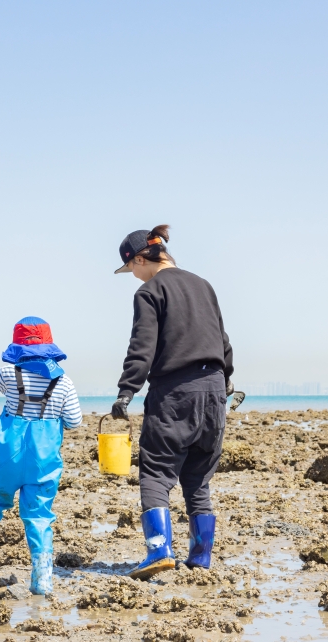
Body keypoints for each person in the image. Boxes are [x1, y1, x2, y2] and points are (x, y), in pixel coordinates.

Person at [110, 226, 234, 580]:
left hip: (174, 391)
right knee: (198, 477)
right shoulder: (203, 285)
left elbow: (142, 345)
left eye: (130, 268)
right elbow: (223, 341)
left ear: (139, 259)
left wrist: (126, 391)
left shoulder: (149, 292)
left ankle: (160, 550)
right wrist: (224, 384)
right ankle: (201, 557)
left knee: (156, 471)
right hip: (214, 391)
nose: (132, 275)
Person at [0, 317, 82, 595]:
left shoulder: (8, 374)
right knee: (39, 515)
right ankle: (43, 579)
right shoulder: (64, 382)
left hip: (8, 456)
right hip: (44, 460)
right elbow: (74, 421)